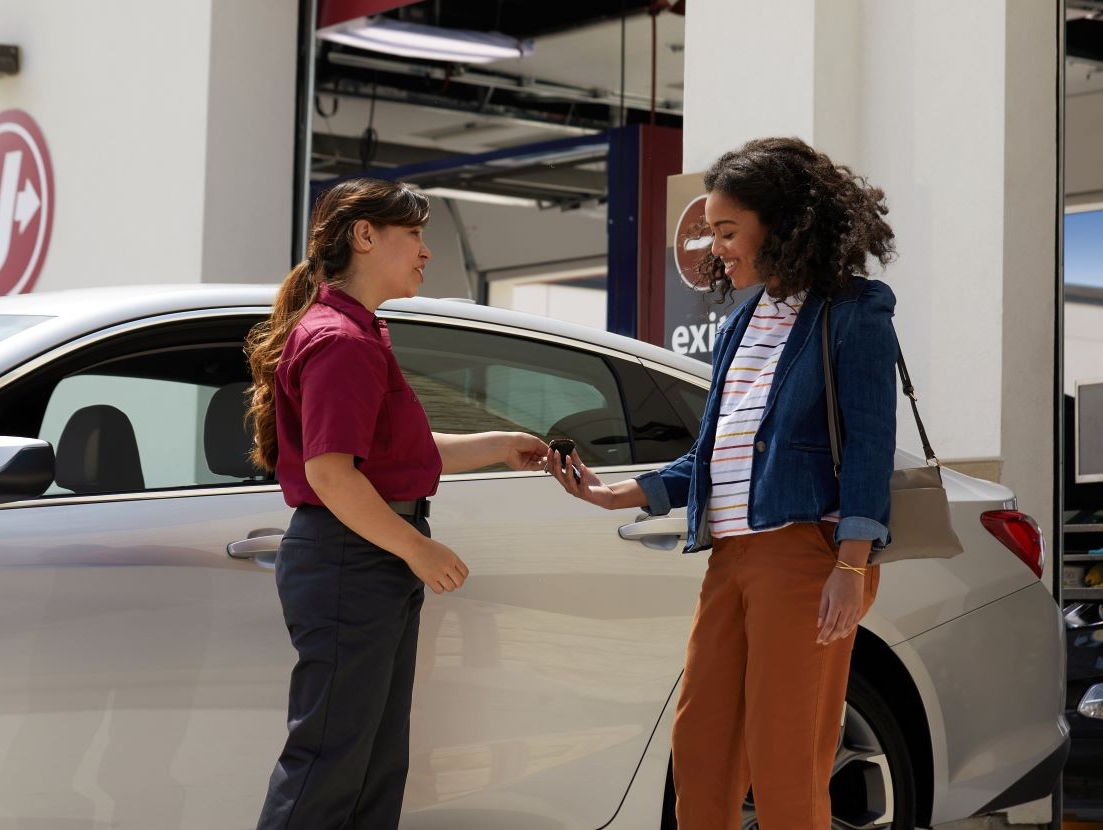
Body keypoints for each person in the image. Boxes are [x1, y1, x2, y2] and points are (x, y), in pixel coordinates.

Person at [546, 137, 900, 828]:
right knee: (700, 746)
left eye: (728, 231)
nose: (716, 248)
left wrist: (849, 566)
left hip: (804, 554)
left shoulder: (853, 311)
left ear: (783, 223)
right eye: (711, 231)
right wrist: (627, 492)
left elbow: (868, 447)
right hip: (730, 557)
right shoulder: (742, 316)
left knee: (785, 755)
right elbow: (718, 449)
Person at [247, 177, 549, 830]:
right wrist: (417, 547)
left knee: (369, 767)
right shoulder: (341, 341)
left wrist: (497, 444)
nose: (425, 252)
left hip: (361, 560)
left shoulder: (356, 333)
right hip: (351, 560)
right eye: (412, 234)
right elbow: (331, 474)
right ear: (364, 236)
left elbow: (394, 454)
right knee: (332, 765)